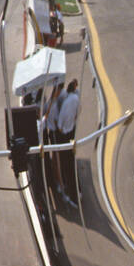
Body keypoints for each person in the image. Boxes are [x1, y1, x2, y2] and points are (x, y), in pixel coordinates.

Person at [56, 79, 81, 208]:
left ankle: (69, 192)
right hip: (71, 132)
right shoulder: (76, 98)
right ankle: (78, 190)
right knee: (71, 161)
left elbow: (60, 125)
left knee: (65, 164)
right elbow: (77, 114)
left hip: (64, 135)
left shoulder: (65, 102)